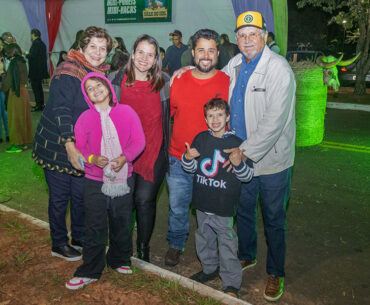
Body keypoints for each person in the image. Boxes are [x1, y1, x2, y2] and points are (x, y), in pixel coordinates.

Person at [222, 11, 296, 302]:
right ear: (237, 39)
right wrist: (183, 73)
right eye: (242, 35)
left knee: (275, 218)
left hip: (270, 161)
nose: (247, 39)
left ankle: (276, 271)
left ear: (265, 36)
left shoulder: (278, 69)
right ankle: (246, 255)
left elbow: (274, 121)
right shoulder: (234, 64)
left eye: (253, 34)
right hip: (241, 158)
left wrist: (246, 152)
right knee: (244, 211)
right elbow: (214, 85)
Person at [32, 26, 112, 262]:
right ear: (82, 47)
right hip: (57, 145)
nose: (97, 53)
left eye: (103, 48)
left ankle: (78, 236)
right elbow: (62, 110)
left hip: (83, 147)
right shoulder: (68, 71)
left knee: (80, 195)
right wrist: (69, 144)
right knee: (60, 197)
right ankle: (58, 243)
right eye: (92, 47)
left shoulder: (98, 73)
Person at [65, 73, 145, 290]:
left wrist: (124, 157)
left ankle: (119, 259)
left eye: (98, 84)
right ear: (87, 96)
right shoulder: (84, 118)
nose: (96, 89)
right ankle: (90, 269)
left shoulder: (126, 112)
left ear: (108, 87)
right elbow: (80, 149)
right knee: (95, 226)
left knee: (122, 221)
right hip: (94, 181)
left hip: (123, 178)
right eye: (90, 88)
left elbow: (139, 141)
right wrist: (92, 159)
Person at [165, 29, 229, 267]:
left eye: (211, 50)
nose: (205, 55)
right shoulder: (178, 80)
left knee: (210, 211)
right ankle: (176, 243)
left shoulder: (227, 82)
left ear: (218, 53)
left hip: (213, 162)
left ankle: (211, 252)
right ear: (192, 53)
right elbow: (164, 116)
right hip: (179, 159)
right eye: (200, 50)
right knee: (178, 208)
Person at [182, 98, 254, 298]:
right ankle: (209, 269)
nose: (215, 119)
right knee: (203, 238)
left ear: (228, 117)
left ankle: (231, 283)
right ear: (205, 119)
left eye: (220, 115)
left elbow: (247, 177)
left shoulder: (237, 143)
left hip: (223, 206)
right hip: (202, 203)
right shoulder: (200, 139)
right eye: (211, 115)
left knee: (227, 244)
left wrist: (239, 163)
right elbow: (190, 169)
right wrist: (187, 159)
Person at [109, 34, 170, 262]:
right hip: (122, 155)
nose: (145, 58)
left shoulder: (164, 82)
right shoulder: (115, 80)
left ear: (157, 59)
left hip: (153, 152)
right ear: (132, 54)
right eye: (141, 52)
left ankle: (143, 250)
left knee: (144, 200)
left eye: (150, 54)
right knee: (123, 202)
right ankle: (121, 248)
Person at [1, 44, 33, 152]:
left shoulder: (14, 63)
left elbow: (8, 82)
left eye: (7, 52)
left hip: (15, 93)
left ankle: (17, 145)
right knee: (24, 118)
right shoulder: (22, 61)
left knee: (15, 119)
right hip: (23, 92)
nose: (6, 54)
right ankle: (26, 143)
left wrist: (2, 83)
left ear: (11, 52)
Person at [27, 29, 49, 112]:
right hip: (40, 70)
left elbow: (32, 56)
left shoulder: (36, 43)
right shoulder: (42, 44)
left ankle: (38, 105)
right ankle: (41, 104)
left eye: (31, 34)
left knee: (36, 88)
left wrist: (26, 54)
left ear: (33, 34)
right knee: (39, 88)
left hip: (35, 71)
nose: (30, 36)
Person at [0, 38, 9, 143]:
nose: (1, 45)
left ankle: (8, 134)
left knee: (4, 111)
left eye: (1, 44)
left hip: (3, 85)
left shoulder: (5, 56)